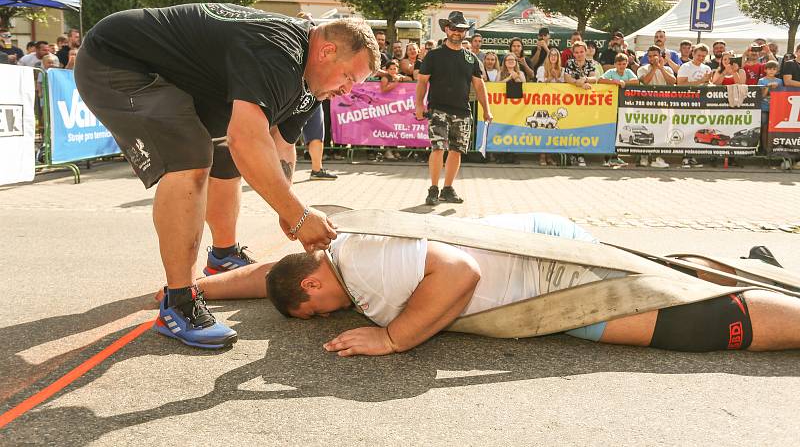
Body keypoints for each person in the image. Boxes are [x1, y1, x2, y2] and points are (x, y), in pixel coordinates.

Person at [74, 3, 379, 349]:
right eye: (349, 78)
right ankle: (179, 303)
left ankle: (223, 255)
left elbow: (278, 146)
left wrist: (287, 211)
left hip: (184, 81)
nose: (348, 90)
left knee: (226, 156)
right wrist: (300, 215)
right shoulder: (280, 53)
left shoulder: (310, 84)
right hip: (117, 59)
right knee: (188, 160)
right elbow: (246, 139)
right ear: (326, 51)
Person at [191, 213, 800, 357]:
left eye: (314, 309)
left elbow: (461, 272)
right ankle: (753, 265)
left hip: (550, 281)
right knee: (675, 282)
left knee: (698, 322)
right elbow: (274, 277)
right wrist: (203, 290)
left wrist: (394, 339)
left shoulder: (363, 269)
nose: (323, 318)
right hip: (542, 260)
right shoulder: (341, 252)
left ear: (317, 279)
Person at [415, 10, 492, 206]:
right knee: (438, 148)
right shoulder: (434, 56)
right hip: (438, 109)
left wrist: (487, 109)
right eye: (454, 28)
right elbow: (422, 82)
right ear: (446, 29)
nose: (458, 32)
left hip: (463, 111)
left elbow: (479, 85)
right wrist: (419, 105)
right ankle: (433, 189)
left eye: (462, 29)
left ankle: (447, 189)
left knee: (457, 151)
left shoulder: (471, 58)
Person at [301, 102, 337, 181]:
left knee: (316, 134)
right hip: (308, 95)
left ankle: (316, 170)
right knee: (282, 135)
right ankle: (316, 170)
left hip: (314, 97)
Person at [757, 60, 782, 154]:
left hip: (776, 108)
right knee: (764, 127)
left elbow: (781, 95)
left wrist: (777, 87)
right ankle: (763, 148)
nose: (772, 71)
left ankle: (772, 148)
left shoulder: (780, 81)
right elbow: (761, 96)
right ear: (765, 70)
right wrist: (767, 86)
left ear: (777, 71)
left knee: (773, 129)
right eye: (769, 69)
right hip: (764, 108)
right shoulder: (762, 80)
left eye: (774, 69)